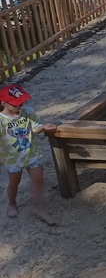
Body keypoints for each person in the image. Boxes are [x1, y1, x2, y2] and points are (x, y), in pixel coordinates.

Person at [0, 83, 57, 224]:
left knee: (39, 180)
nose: (20, 105)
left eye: (22, 101)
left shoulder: (28, 112)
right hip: (13, 158)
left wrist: (44, 127)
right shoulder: (1, 121)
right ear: (4, 103)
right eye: (16, 103)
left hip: (32, 153)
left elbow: (35, 128)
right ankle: (12, 203)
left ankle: (38, 207)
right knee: (14, 183)